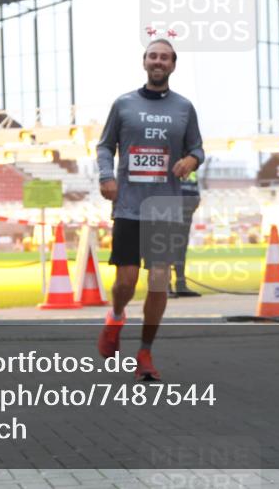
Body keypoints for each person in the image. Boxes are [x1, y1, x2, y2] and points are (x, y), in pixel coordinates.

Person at [96, 38, 204, 380]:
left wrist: (190, 159)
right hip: (128, 205)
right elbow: (104, 146)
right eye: (153, 56)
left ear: (173, 65)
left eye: (165, 57)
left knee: (158, 282)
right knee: (125, 281)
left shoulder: (184, 107)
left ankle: (145, 352)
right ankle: (115, 317)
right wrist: (105, 177)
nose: (159, 61)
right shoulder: (123, 104)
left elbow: (198, 149)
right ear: (144, 62)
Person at [169, 170, 202, 298]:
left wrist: (196, 199)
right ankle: (165, 285)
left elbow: (193, 183)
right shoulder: (171, 156)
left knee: (181, 247)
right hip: (170, 207)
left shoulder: (191, 161)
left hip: (187, 208)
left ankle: (181, 284)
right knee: (167, 246)